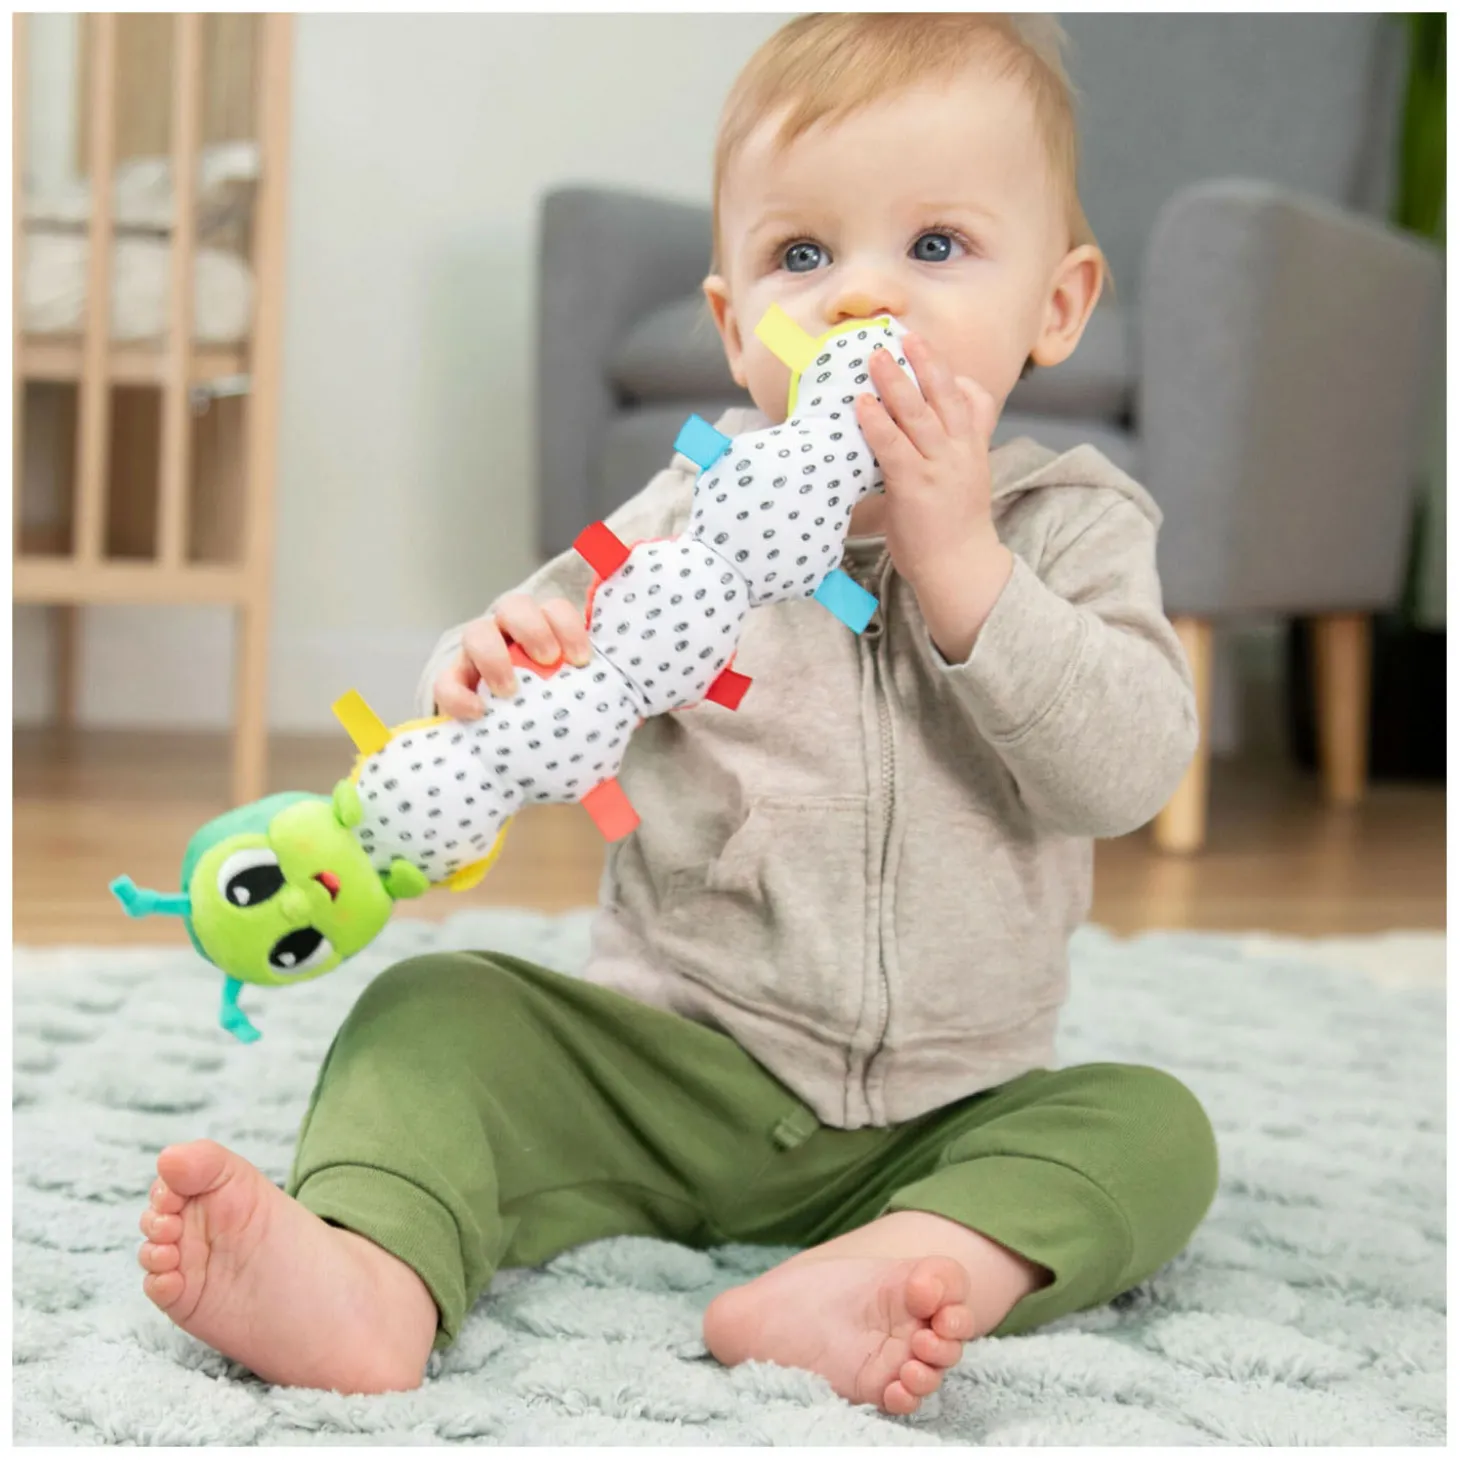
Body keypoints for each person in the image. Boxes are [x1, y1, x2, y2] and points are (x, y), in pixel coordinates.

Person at [136, 13, 1217, 1416]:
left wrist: (965, 563)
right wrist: (486, 667)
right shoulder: (686, 520)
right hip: (666, 1065)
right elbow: (517, 688)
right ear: (733, 326)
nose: (859, 298)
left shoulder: (1075, 527)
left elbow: (1125, 771)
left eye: (937, 245)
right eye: (803, 256)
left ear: (1055, 308)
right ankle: (369, 1269)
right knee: (434, 1009)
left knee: (1154, 1131)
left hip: (949, 1110)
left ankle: (898, 1263)